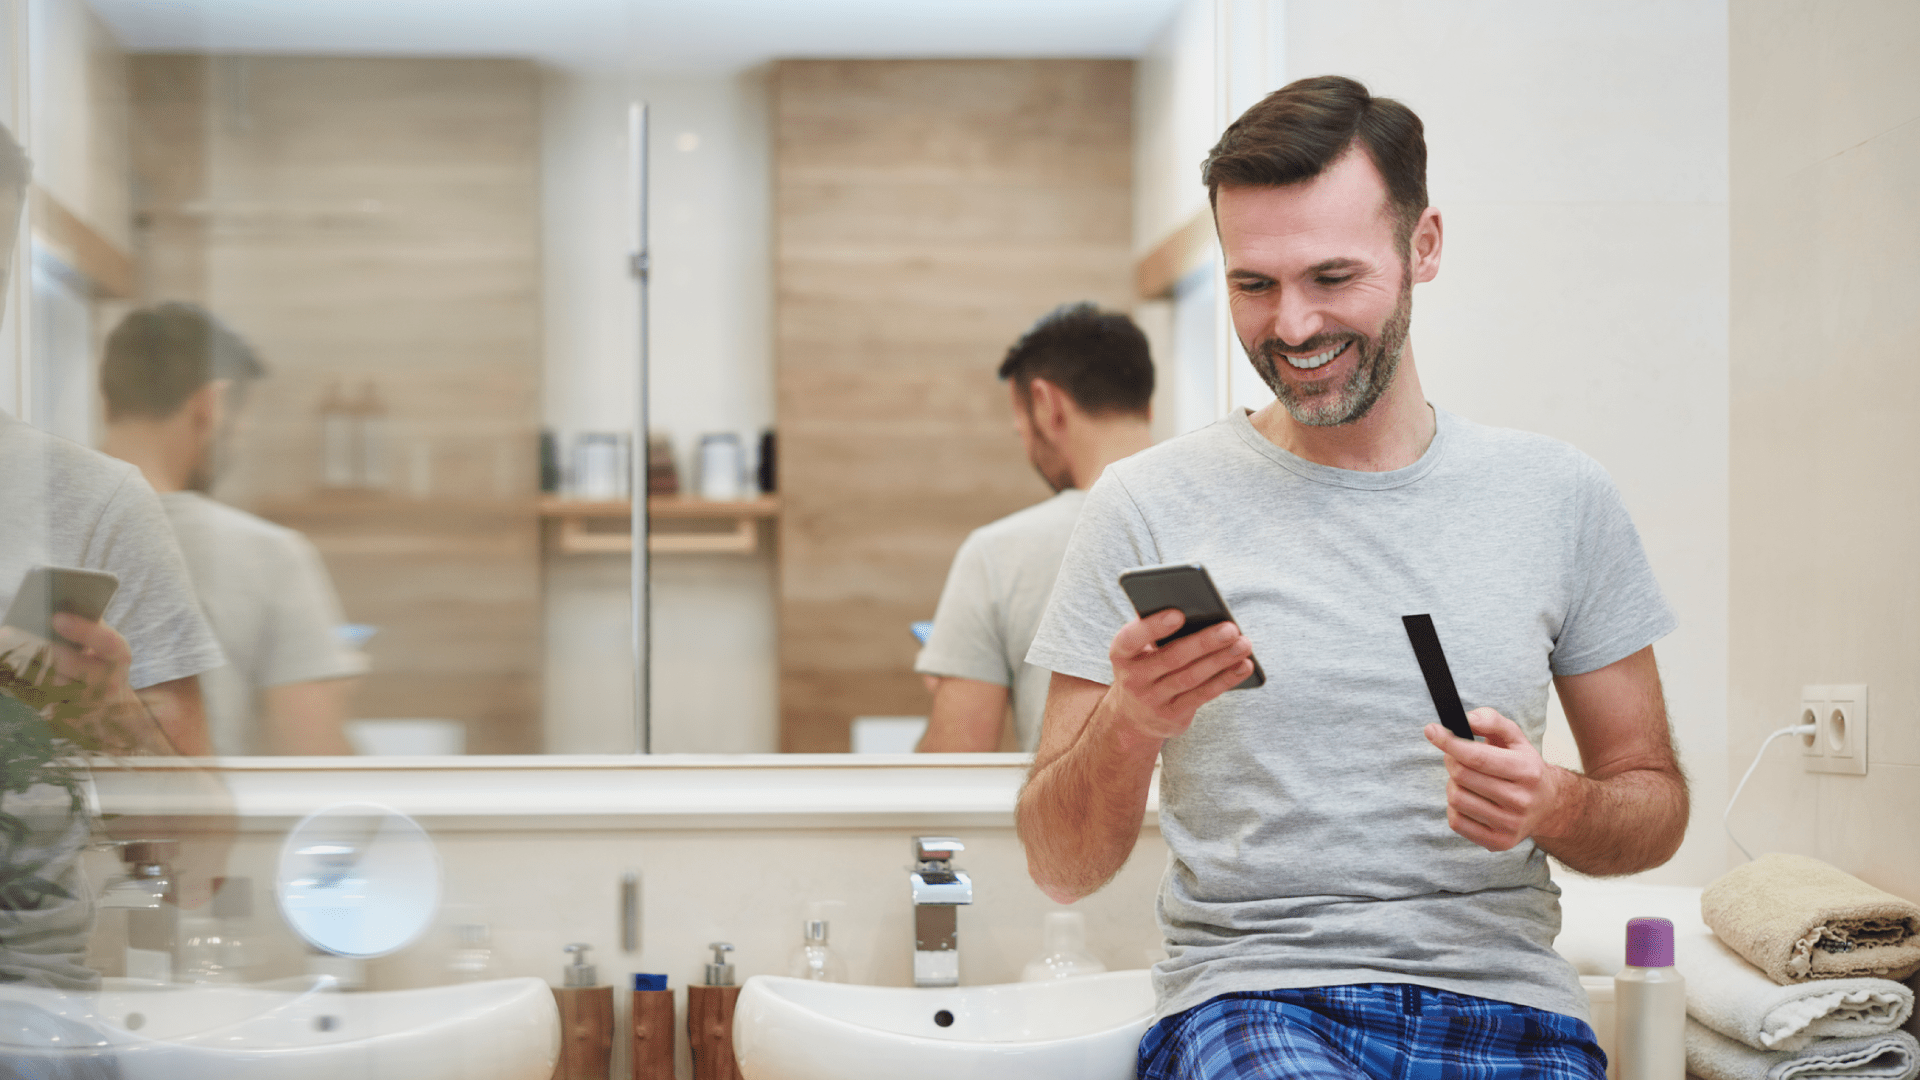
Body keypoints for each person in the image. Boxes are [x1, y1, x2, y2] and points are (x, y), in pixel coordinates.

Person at [1016, 76, 1687, 1080]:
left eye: (1332, 277)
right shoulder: (1147, 505)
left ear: (1424, 247)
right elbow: (1058, 865)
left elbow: (1654, 805)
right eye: (1254, 285)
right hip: (1255, 1003)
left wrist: (1551, 803)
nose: (1290, 328)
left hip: (1511, 1008)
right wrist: (1130, 722)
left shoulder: (1557, 496)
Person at [99, 303, 366, 755]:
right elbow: (318, 762)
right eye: (242, 419)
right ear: (209, 404)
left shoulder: (29, 530)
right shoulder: (269, 557)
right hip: (197, 822)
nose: (240, 434)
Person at [914, 303, 1154, 753]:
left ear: (1046, 406)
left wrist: (954, 684)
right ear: (1148, 406)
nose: (1024, 441)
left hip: (1076, 822)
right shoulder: (1224, 519)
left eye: (1018, 427)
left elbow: (949, 771)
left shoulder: (996, 554)